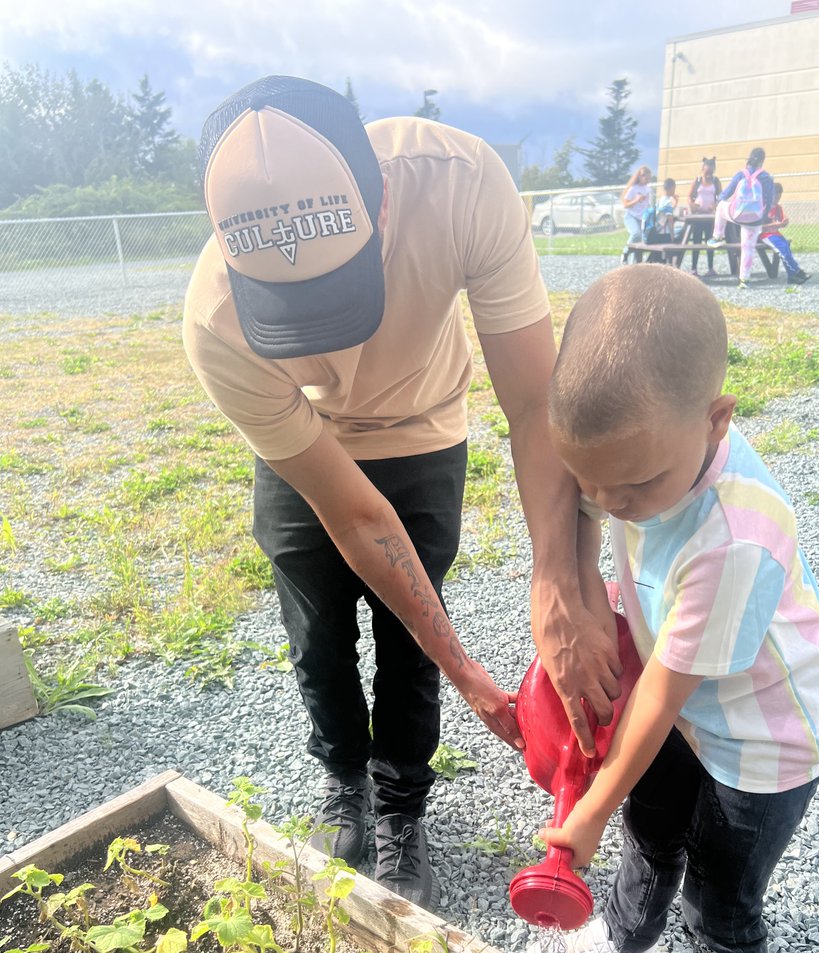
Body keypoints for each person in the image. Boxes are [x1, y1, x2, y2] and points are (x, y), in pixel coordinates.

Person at [183, 76, 622, 910]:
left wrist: (560, 580)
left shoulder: (459, 183)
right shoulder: (215, 322)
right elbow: (353, 514)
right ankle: (343, 781)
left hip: (424, 425)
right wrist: (475, 674)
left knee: (408, 641)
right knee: (316, 635)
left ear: (381, 206)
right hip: (304, 440)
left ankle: (401, 807)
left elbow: (534, 403)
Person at [524, 265, 819, 953]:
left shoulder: (733, 538)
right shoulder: (643, 454)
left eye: (634, 486)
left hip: (765, 739)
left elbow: (666, 689)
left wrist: (588, 807)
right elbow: (598, 502)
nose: (612, 501)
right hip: (690, 710)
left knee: (722, 898)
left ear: (715, 422)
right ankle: (632, 944)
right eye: (591, 481)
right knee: (653, 823)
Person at [707, 147, 775, 288]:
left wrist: (718, 199)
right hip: (755, 218)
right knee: (748, 247)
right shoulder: (766, 177)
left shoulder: (741, 174)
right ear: (762, 160)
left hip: (737, 214)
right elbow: (770, 200)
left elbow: (726, 193)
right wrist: (762, 216)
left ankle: (717, 237)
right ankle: (744, 280)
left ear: (749, 158)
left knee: (721, 207)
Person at [760, 183, 811, 285]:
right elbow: (757, 227)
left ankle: (794, 274)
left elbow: (783, 221)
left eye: (779, 197)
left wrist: (784, 222)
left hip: (775, 234)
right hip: (765, 235)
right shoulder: (763, 207)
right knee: (783, 249)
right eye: (775, 197)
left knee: (786, 248)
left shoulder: (778, 207)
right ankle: (795, 272)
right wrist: (774, 224)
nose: (777, 199)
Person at [687, 155, 721, 277]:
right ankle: (694, 268)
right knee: (696, 241)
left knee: (710, 241)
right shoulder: (697, 181)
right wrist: (692, 205)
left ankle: (710, 267)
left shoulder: (716, 181)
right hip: (698, 217)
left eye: (711, 172)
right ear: (703, 169)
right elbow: (689, 196)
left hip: (710, 217)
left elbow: (720, 197)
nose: (708, 174)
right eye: (707, 172)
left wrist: (715, 205)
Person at [619, 165, 653, 262]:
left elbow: (648, 204)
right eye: (645, 178)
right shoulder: (633, 189)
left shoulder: (648, 189)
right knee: (636, 234)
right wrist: (637, 200)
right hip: (631, 216)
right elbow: (626, 204)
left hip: (642, 218)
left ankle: (635, 263)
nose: (647, 180)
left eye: (649, 178)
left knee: (640, 242)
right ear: (640, 177)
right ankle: (625, 252)